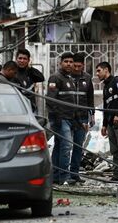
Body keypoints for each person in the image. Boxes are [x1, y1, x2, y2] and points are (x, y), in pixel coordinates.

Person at [95, 61, 118, 183]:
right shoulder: (106, 87)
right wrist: (104, 124)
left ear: (106, 70)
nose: (97, 74)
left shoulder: (117, 81)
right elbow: (106, 107)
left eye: (99, 70)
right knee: (114, 150)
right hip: (111, 122)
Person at [46, 52, 76, 185]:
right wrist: (57, 117)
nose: (69, 64)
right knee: (66, 146)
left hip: (69, 118)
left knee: (59, 146)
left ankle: (56, 176)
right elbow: (51, 100)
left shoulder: (69, 79)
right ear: (60, 63)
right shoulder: (55, 78)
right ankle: (64, 176)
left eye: (71, 62)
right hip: (60, 118)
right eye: (66, 61)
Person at [68, 52, 94, 185]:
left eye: (79, 66)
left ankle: (74, 174)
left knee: (78, 146)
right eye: (75, 66)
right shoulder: (66, 77)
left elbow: (90, 98)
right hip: (67, 117)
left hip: (83, 117)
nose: (77, 68)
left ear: (83, 66)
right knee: (65, 146)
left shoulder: (88, 78)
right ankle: (62, 174)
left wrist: (92, 115)